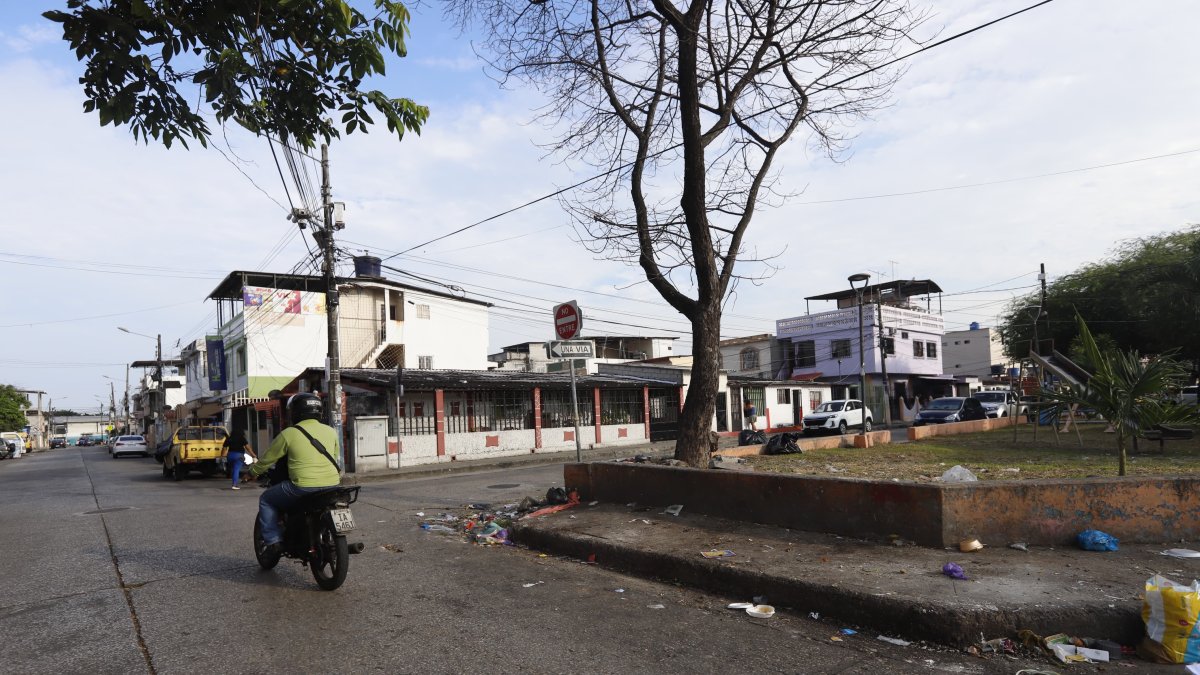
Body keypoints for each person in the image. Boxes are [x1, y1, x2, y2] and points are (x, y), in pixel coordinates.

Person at [247, 393, 341, 556]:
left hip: (302, 486)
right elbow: (335, 455)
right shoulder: (331, 431)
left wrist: (252, 472)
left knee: (266, 500)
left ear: (295, 412)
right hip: (332, 484)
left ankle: (273, 540)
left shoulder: (289, 433)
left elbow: (268, 459)